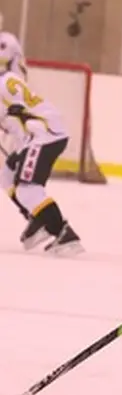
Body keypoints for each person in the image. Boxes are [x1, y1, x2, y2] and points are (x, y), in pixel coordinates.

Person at [0, 31, 82, 255]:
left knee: (27, 189)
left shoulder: (6, 82)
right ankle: (38, 218)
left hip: (45, 135)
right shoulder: (11, 78)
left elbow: (17, 112)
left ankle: (62, 233)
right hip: (38, 135)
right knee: (7, 174)